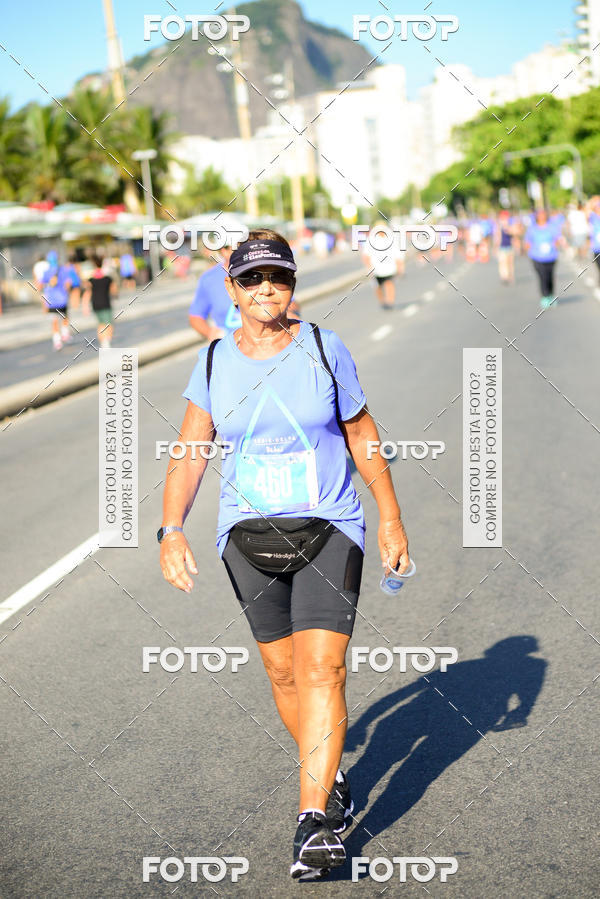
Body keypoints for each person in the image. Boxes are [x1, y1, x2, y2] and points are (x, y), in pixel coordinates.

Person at [159, 229, 410, 881]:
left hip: (330, 525)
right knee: (284, 674)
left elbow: (361, 432)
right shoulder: (213, 363)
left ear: (293, 284)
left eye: (279, 276)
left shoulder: (325, 348)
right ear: (232, 289)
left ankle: (312, 819)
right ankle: (329, 772)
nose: (266, 288)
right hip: (247, 537)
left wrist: (390, 517)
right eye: (252, 278)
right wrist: (171, 528)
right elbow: (190, 449)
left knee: (322, 669)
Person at [360, 221, 404, 310]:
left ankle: (390, 302)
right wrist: (369, 267)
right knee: (378, 287)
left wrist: (400, 266)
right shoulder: (370, 240)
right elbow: (366, 256)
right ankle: (382, 301)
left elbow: (397, 254)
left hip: (389, 268)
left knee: (389, 283)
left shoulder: (391, 239)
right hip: (376, 269)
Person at [524, 209, 562, 309]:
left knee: (549, 276)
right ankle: (545, 296)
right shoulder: (532, 229)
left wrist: (554, 245)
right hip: (537, 257)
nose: (542, 217)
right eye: (540, 215)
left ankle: (551, 295)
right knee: (542, 276)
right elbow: (528, 242)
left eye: (543, 215)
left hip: (550, 256)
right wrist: (527, 250)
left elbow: (557, 239)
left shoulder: (552, 227)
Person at [39, 250, 73, 350]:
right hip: (62, 299)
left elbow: (40, 285)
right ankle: (65, 333)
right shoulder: (63, 270)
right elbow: (68, 283)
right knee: (65, 317)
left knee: (54, 321)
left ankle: (57, 341)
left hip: (51, 301)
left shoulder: (46, 272)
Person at [83, 255, 117, 348]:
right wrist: (114, 296)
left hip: (95, 304)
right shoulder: (108, 279)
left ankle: (103, 341)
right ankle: (107, 341)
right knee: (108, 323)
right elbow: (114, 291)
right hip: (106, 303)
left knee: (100, 324)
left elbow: (87, 293)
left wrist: (85, 306)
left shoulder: (91, 280)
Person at [496, 211, 515, 285]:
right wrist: (496, 247)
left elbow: (514, 234)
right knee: (502, 263)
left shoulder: (510, 225)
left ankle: (510, 277)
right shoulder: (498, 226)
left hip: (510, 246)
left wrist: (508, 229)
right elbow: (497, 237)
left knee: (510, 263)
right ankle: (504, 276)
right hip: (502, 247)